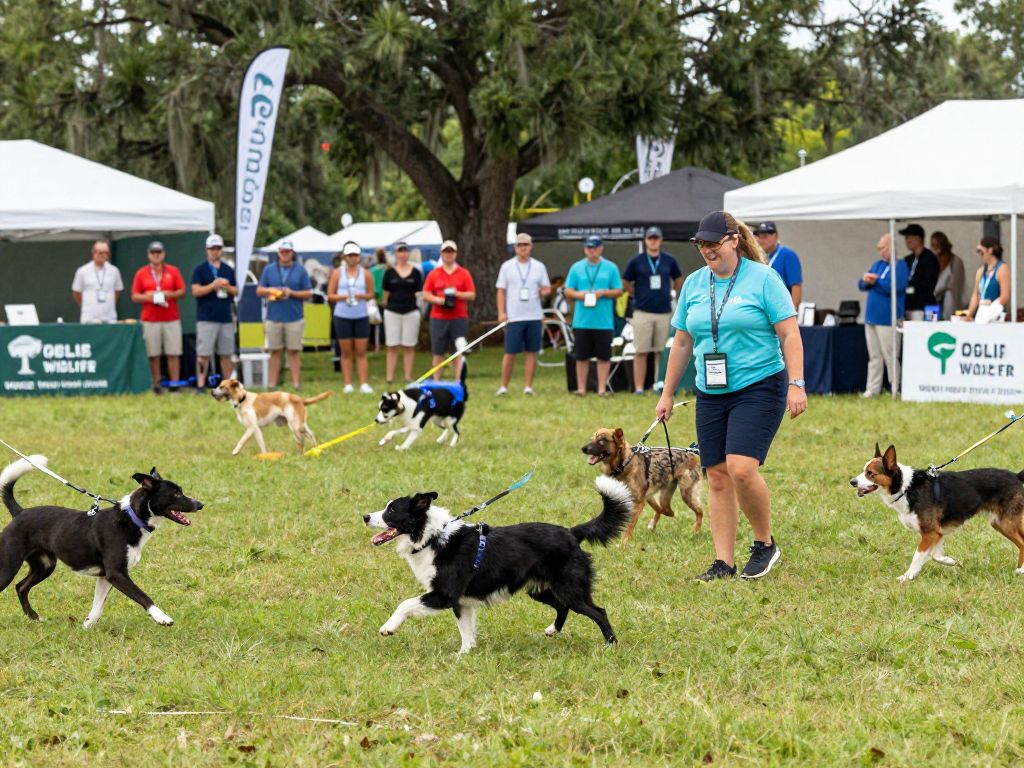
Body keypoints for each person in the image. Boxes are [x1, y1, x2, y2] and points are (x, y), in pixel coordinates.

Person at [656, 211, 806, 582]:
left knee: (741, 468)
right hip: (711, 390)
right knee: (717, 475)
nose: (707, 250)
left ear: (734, 240)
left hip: (759, 384)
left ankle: (764, 544)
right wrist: (667, 393)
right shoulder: (694, 284)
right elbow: (682, 341)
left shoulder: (764, 279)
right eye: (701, 244)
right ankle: (723, 562)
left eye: (713, 243)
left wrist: (797, 383)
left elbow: (789, 334)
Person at [622, 226, 682, 395]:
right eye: (650, 238)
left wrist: (671, 292)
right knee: (641, 350)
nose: (653, 241)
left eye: (656, 238)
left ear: (661, 240)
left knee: (661, 352)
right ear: (645, 240)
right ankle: (639, 387)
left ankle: (659, 385)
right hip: (642, 311)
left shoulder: (669, 260)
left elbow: (678, 278)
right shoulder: (637, 261)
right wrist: (636, 295)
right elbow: (626, 281)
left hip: (664, 311)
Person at [564, 235, 623, 397]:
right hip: (582, 321)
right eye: (589, 247)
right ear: (585, 249)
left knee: (603, 357)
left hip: (603, 321)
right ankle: (581, 389)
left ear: (601, 248)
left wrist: (604, 292)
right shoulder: (576, 268)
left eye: (595, 247)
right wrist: (579, 294)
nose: (592, 250)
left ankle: (602, 389)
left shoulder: (610, 267)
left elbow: (619, 290)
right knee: (581, 356)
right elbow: (567, 290)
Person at [495, 232, 551, 396]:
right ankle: (504, 386)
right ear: (515, 248)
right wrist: (501, 312)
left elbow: (546, 288)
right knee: (510, 352)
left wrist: (545, 291)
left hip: (534, 315)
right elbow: (501, 291)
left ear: (531, 247)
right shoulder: (507, 266)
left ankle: (528, 386)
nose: (523, 248)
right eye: (519, 245)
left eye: (525, 245)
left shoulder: (539, 266)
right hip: (514, 316)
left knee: (531, 351)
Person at [131, 241, 186, 394]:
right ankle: (156, 384)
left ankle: (174, 384)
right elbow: (135, 296)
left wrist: (169, 295)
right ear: (149, 255)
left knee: (173, 352)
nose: (156, 255)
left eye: (159, 252)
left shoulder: (173, 271)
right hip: (150, 319)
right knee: (152, 353)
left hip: (171, 317)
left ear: (163, 254)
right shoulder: (141, 273)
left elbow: (182, 291)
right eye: (153, 252)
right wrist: (151, 297)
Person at [257, 240, 312, 389]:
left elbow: (308, 293)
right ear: (278, 253)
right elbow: (259, 290)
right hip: (274, 317)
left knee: (293, 351)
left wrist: (292, 293)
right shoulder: (269, 270)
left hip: (294, 317)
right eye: (282, 251)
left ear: (292, 253)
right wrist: (272, 291)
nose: (285, 254)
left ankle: (296, 383)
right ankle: (272, 383)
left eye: (287, 251)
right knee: (274, 351)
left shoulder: (300, 270)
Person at [858, 233, 909, 397]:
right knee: (874, 356)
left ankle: (895, 388)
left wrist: (876, 282)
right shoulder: (878, 264)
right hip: (872, 316)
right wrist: (869, 280)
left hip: (888, 318)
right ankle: (873, 389)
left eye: (882, 248)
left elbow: (893, 286)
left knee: (891, 354)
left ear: (891, 247)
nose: (880, 252)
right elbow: (862, 284)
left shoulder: (900, 265)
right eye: (878, 248)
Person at [190, 233, 237, 393]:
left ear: (221, 250)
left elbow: (236, 291)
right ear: (207, 250)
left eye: (217, 249)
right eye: (212, 249)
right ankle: (201, 384)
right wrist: (212, 286)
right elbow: (195, 291)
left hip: (225, 318)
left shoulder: (228, 269)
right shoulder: (200, 269)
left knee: (226, 354)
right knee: (203, 354)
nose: (214, 252)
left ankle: (228, 387)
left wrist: (226, 287)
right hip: (206, 318)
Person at [422, 240, 476, 380]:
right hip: (439, 317)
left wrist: (457, 294)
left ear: (455, 254)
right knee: (438, 352)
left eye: (451, 251)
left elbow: (472, 294)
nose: (448, 254)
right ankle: (436, 382)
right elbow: (426, 294)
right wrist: (440, 300)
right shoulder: (434, 274)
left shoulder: (463, 273)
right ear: (441, 254)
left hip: (458, 317)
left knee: (458, 351)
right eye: (446, 251)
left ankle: (458, 381)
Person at [327, 241, 374, 393]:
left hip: (361, 315)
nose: (352, 258)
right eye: (349, 255)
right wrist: (343, 297)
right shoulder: (337, 273)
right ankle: (348, 384)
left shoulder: (366, 273)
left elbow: (371, 294)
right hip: (342, 315)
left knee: (361, 351)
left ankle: (363, 383)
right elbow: (330, 295)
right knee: (346, 351)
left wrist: (362, 295)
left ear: (359, 257)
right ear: (345, 257)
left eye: (355, 255)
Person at [382, 241, 424, 385]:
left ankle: (407, 376)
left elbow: (419, 294)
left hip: (411, 311)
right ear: (396, 254)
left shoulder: (416, 272)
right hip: (393, 311)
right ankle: (389, 377)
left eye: (405, 251)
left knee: (409, 345)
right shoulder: (389, 273)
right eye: (400, 251)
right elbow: (385, 295)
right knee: (392, 345)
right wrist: (385, 307)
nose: (403, 253)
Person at [72, 239, 124, 324]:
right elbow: (76, 293)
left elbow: (117, 291)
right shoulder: (83, 271)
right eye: (101, 253)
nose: (104, 256)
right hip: (89, 318)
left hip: (109, 318)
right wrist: (84, 305)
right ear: (93, 253)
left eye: (106, 253)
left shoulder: (114, 271)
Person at [754, 221, 803, 308]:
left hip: (782, 311)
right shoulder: (763, 257)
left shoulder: (787, 255)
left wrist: (792, 312)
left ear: (776, 236)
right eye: (760, 237)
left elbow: (796, 287)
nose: (761, 240)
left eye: (765, 237)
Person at [965, 236, 1011, 322]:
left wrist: (992, 310)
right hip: (982, 311)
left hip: (996, 312)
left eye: (981, 252)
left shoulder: (1002, 268)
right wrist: (969, 314)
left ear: (990, 250)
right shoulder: (980, 271)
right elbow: (976, 295)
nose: (980, 255)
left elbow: (1005, 296)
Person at [898, 223, 939, 319]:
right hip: (908, 305)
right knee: (908, 332)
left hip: (927, 305)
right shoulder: (907, 260)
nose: (907, 241)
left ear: (919, 238)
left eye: (909, 237)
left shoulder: (930, 258)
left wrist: (911, 286)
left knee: (929, 332)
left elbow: (929, 284)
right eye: (906, 238)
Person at [930, 231, 966, 320]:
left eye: (937, 245)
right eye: (933, 245)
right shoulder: (932, 260)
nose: (935, 248)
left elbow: (955, 284)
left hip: (951, 302)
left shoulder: (956, 261)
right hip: (934, 300)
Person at [369, 247, 389, 352]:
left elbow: (372, 287)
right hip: (388, 300)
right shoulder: (389, 269)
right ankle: (383, 343)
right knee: (385, 323)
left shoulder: (372, 271)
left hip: (375, 300)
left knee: (376, 324)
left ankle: (376, 345)